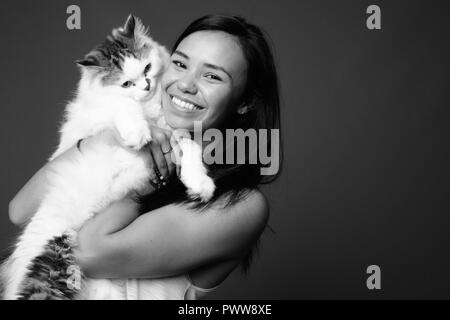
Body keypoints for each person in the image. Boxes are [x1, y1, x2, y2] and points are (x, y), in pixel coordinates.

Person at [8, 14, 282, 299]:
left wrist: (149, 169)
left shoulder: (242, 204)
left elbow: (86, 251)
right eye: (180, 63)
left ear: (246, 101)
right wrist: (102, 141)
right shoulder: (124, 130)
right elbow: (20, 209)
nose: (186, 84)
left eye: (212, 76)